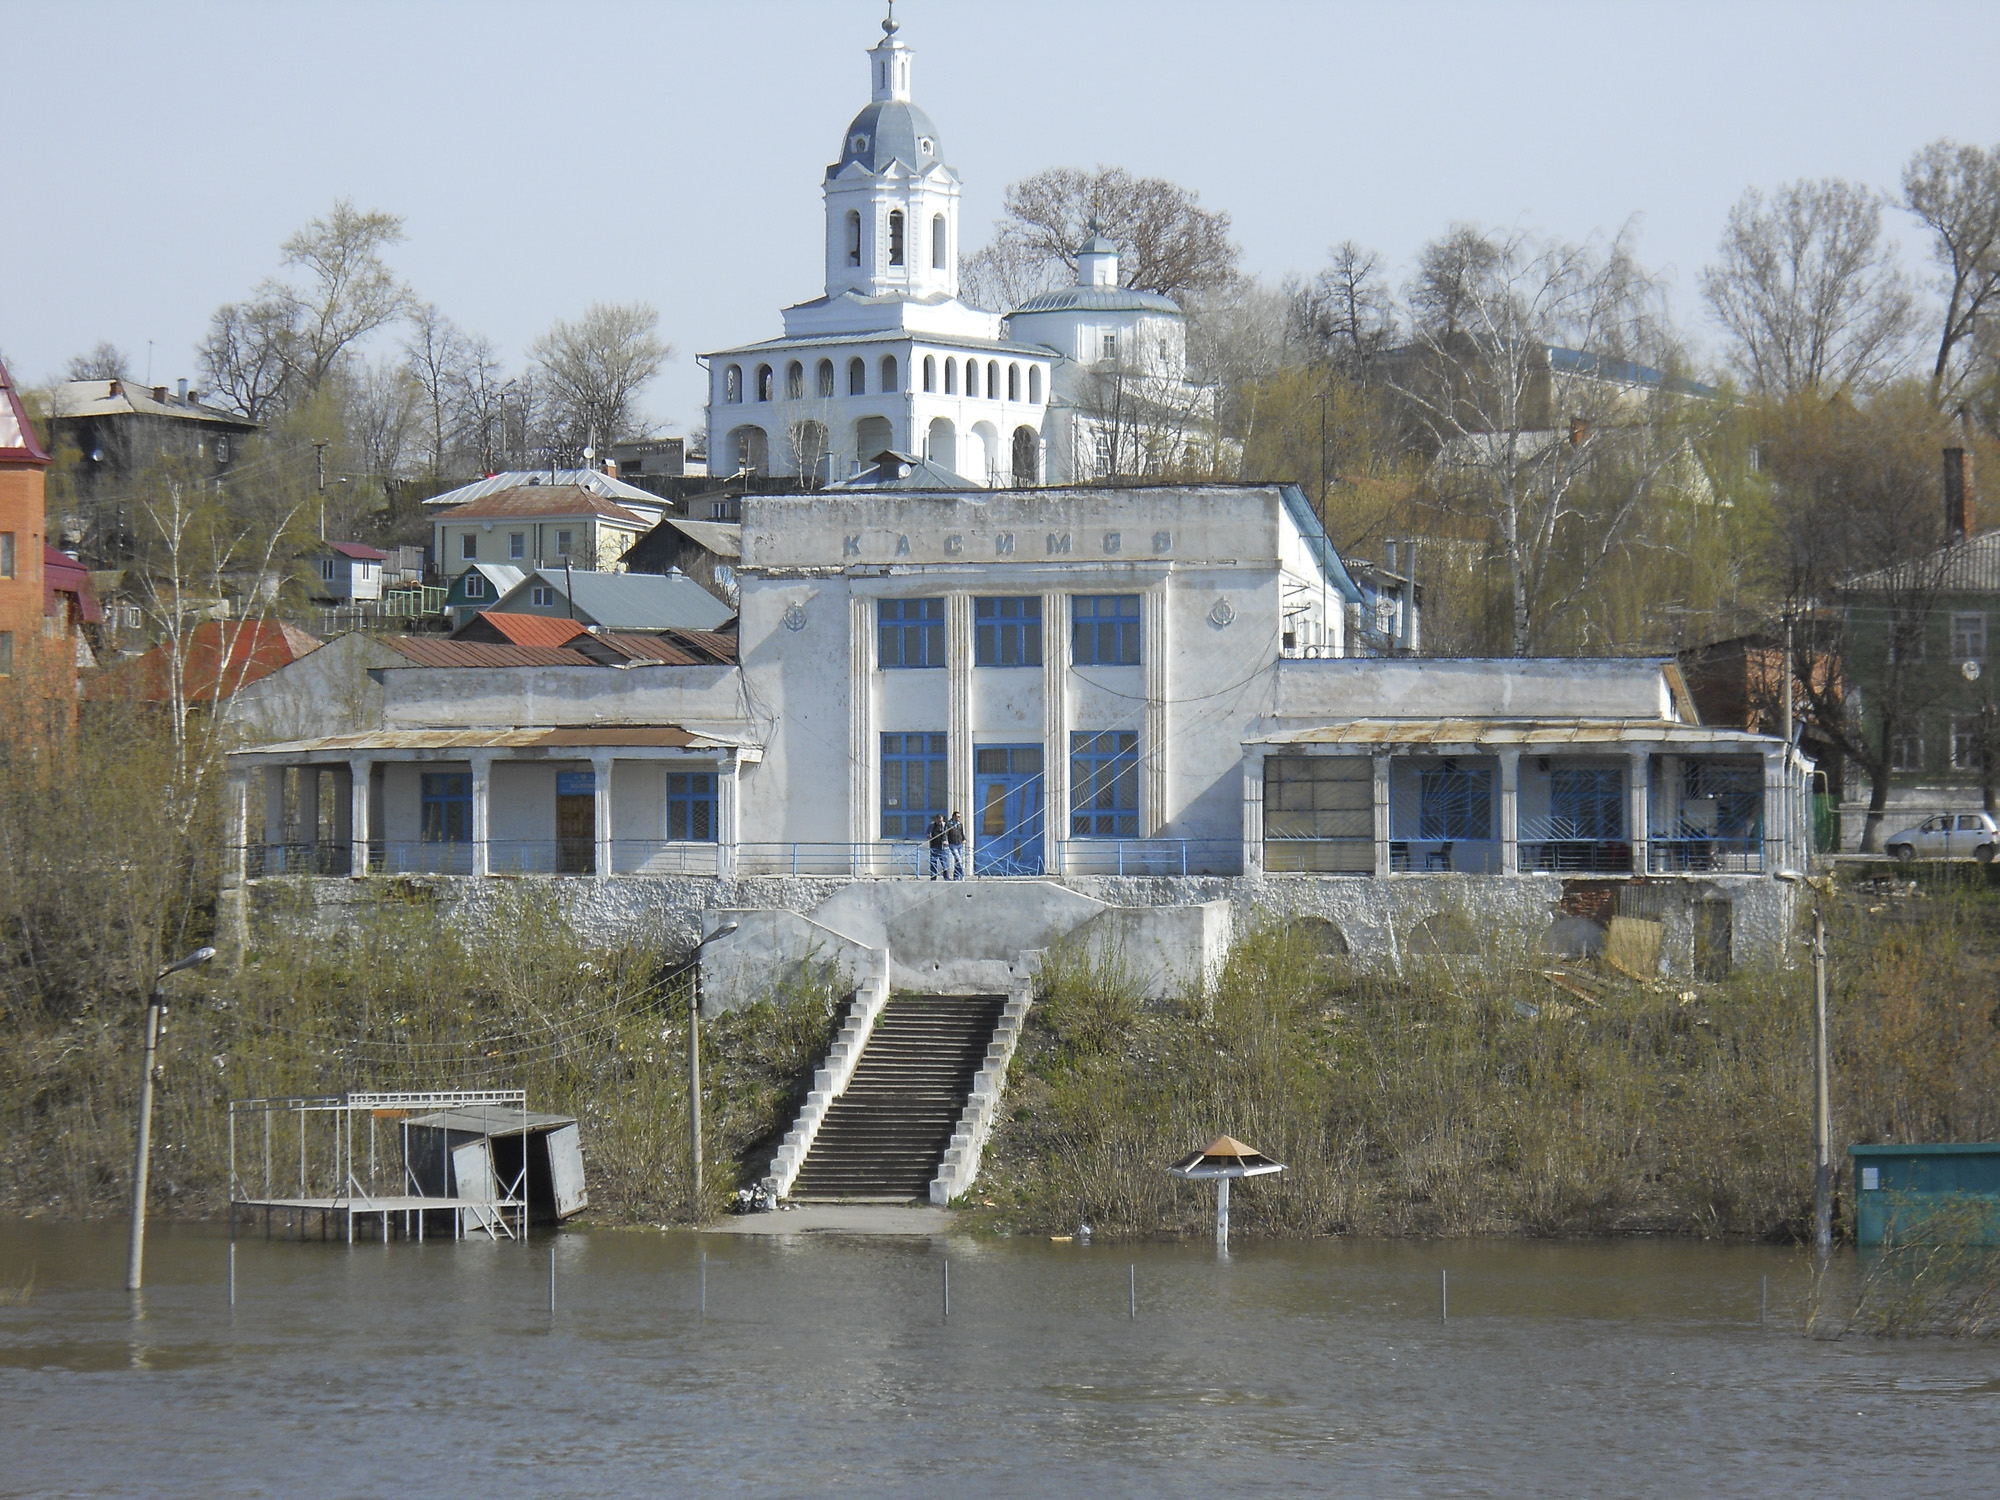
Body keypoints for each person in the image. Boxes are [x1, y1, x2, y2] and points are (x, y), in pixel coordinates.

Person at [946, 809, 967, 879]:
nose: (959, 818)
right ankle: (962, 875)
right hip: (953, 844)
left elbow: (961, 833)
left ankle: (956, 876)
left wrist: (964, 839)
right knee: (959, 860)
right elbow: (945, 833)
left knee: (958, 861)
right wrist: (945, 841)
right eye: (957, 817)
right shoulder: (949, 824)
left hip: (960, 844)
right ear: (953, 817)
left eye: (959, 817)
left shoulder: (960, 824)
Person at [927, 813, 948, 879]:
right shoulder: (931, 825)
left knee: (944, 864)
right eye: (939, 821)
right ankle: (933, 877)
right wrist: (929, 836)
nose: (940, 822)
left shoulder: (945, 825)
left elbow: (948, 834)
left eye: (941, 821)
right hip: (934, 847)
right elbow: (927, 833)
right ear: (936, 819)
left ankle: (946, 877)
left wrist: (946, 841)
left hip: (943, 848)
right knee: (933, 863)